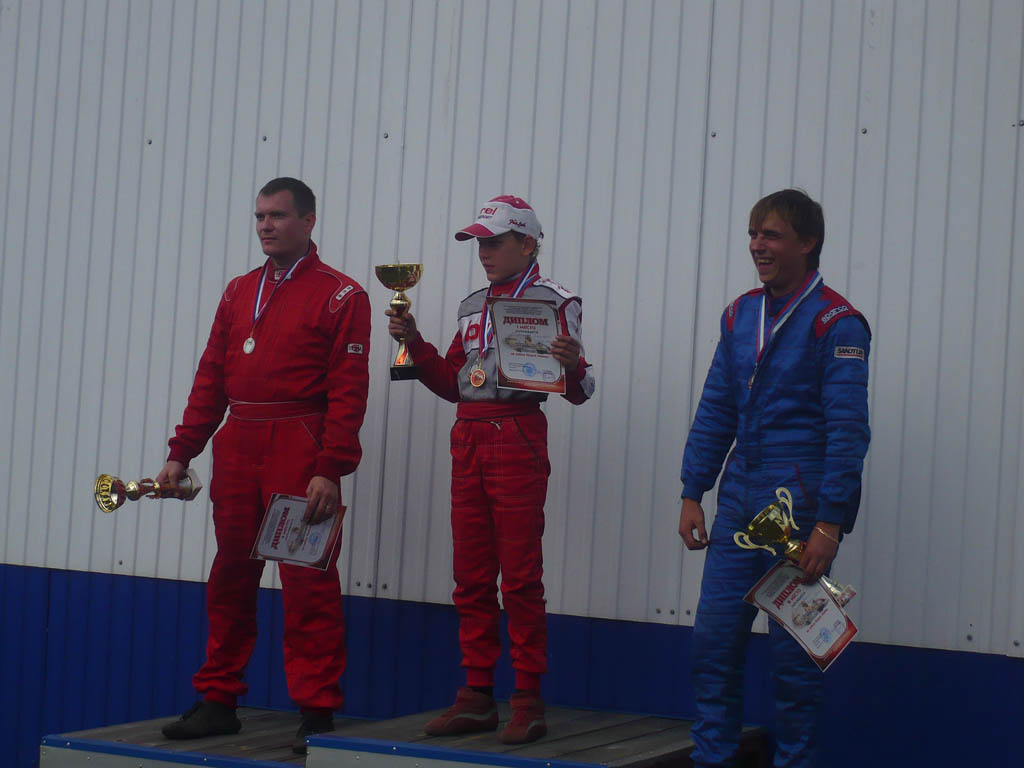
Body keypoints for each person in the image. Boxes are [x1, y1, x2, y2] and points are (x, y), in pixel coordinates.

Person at [156, 177, 371, 755]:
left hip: (300, 446)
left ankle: (317, 711)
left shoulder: (342, 296)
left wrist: (329, 466)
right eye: (259, 216)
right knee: (230, 575)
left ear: (308, 220)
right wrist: (181, 451)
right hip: (239, 442)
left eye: (277, 215)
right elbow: (211, 377)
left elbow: (349, 392)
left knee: (307, 581)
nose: (266, 226)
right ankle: (218, 699)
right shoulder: (238, 291)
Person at [386, 195, 595, 744]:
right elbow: (453, 382)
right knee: (471, 574)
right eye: (479, 242)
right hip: (468, 435)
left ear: (527, 243)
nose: (484, 252)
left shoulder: (556, 300)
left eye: (495, 242)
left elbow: (580, 390)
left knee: (520, 576)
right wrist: (413, 343)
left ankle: (527, 699)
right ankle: (477, 695)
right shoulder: (471, 304)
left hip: (518, 432)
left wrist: (573, 366)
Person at [678, 189, 870, 767]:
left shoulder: (838, 323)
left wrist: (830, 523)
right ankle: (711, 759)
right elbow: (716, 408)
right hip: (740, 502)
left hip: (801, 509)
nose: (758, 246)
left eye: (772, 235)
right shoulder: (739, 315)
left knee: (795, 660)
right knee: (713, 644)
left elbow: (848, 432)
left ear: (807, 243)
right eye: (753, 234)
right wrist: (693, 490)